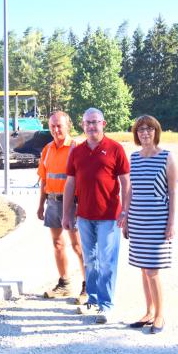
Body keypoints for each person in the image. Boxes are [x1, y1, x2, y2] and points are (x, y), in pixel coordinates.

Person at [63, 108, 130, 324]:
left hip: (110, 216)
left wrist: (126, 211)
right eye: (87, 123)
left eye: (95, 122)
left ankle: (106, 304)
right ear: (82, 125)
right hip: (84, 216)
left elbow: (126, 182)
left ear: (104, 123)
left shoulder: (115, 149)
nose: (91, 126)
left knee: (107, 261)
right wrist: (66, 213)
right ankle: (91, 299)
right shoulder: (77, 151)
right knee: (90, 260)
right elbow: (70, 183)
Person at [123, 115, 178, 334]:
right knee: (143, 269)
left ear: (156, 131)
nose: (144, 133)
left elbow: (173, 191)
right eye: (140, 129)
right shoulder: (134, 158)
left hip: (158, 221)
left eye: (149, 129)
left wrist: (171, 223)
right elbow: (130, 190)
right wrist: (125, 216)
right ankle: (148, 311)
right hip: (137, 220)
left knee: (153, 270)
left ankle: (160, 315)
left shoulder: (167, 157)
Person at [37, 111, 87, 304]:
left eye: (59, 125)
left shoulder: (77, 148)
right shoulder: (47, 149)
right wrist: (40, 204)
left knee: (78, 246)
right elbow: (44, 178)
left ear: (68, 126)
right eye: (52, 126)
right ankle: (64, 283)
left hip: (72, 204)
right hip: (52, 202)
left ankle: (88, 285)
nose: (56, 129)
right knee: (58, 244)